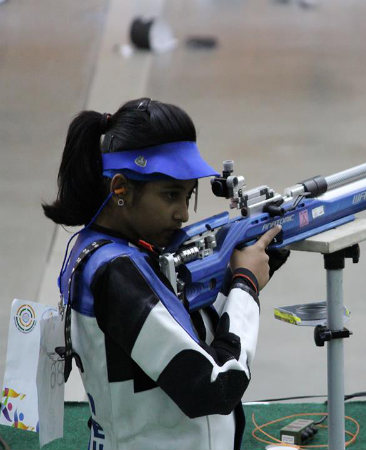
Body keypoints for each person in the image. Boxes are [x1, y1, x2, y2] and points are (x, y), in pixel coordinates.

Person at [43, 98, 286, 450]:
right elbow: (215, 386)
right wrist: (245, 287)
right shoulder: (117, 272)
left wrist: (236, 278)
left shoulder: (115, 251)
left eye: (188, 196)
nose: (183, 214)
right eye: (171, 195)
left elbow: (183, 334)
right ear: (121, 190)